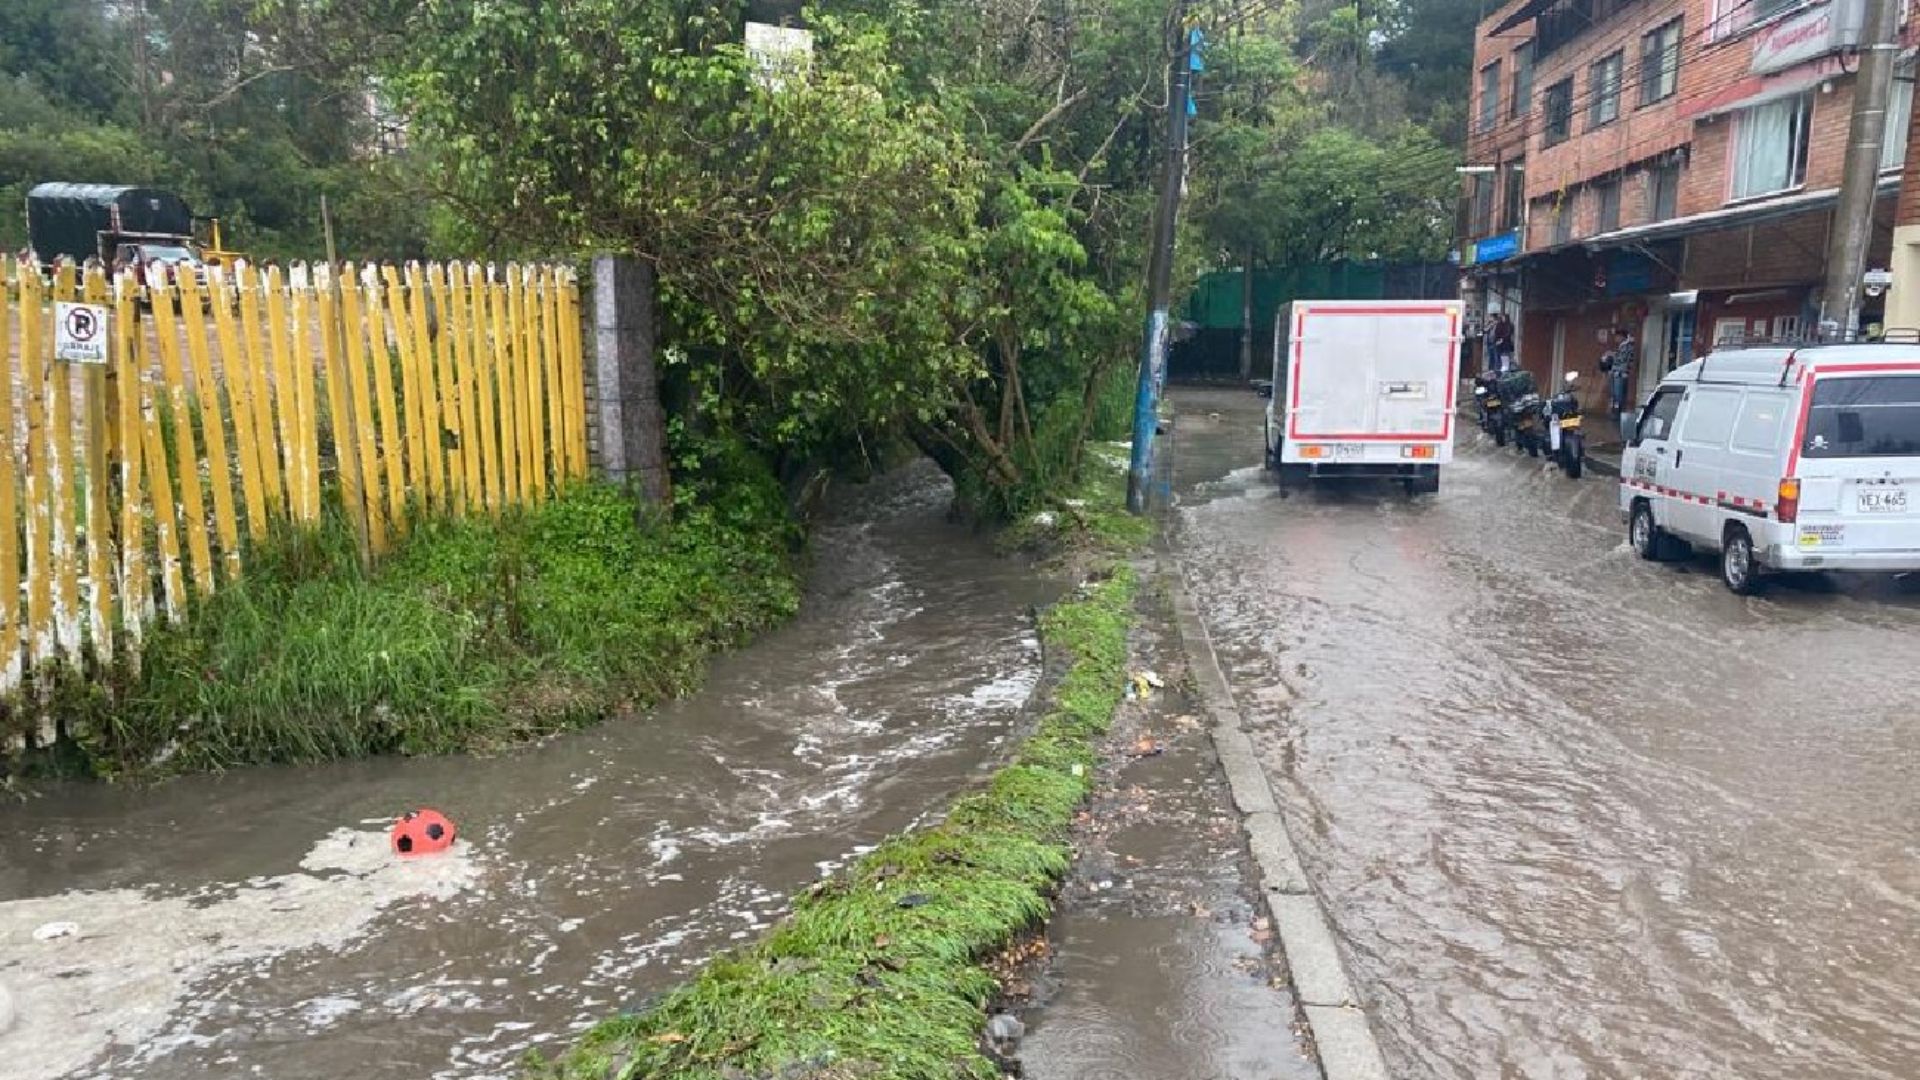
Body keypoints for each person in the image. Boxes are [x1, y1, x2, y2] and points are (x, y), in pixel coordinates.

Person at [1600, 326, 1636, 416]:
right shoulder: (1622, 346)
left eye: (1617, 336)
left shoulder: (1627, 346)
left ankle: (1618, 414)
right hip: (1616, 373)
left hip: (1620, 374)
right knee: (1615, 395)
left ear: (1622, 336)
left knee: (1619, 396)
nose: (1616, 338)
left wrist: (1611, 355)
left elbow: (1622, 359)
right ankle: (1615, 412)